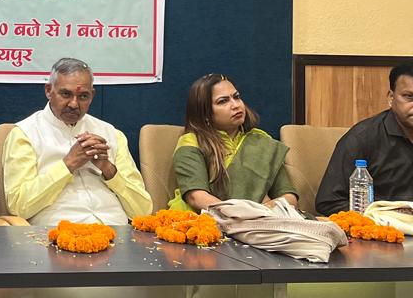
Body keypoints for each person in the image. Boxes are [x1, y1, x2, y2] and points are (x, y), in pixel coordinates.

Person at [2, 57, 152, 226]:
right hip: (57, 232)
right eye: (66, 94)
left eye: (83, 96)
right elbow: (19, 206)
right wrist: (68, 164)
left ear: (92, 96)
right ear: (48, 91)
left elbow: (143, 210)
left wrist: (108, 169)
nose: (74, 104)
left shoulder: (110, 133)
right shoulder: (25, 133)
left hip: (115, 230)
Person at [172, 74, 296, 210]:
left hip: (258, 218)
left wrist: (261, 211)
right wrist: (239, 214)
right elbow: (196, 197)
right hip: (203, 218)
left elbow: (289, 196)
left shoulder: (262, 141)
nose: (236, 105)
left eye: (236, 97)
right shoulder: (192, 142)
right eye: (223, 101)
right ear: (205, 114)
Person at [315, 62, 413, 216]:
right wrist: (381, 215)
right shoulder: (362, 138)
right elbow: (329, 201)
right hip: (380, 225)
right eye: (409, 96)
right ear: (391, 98)